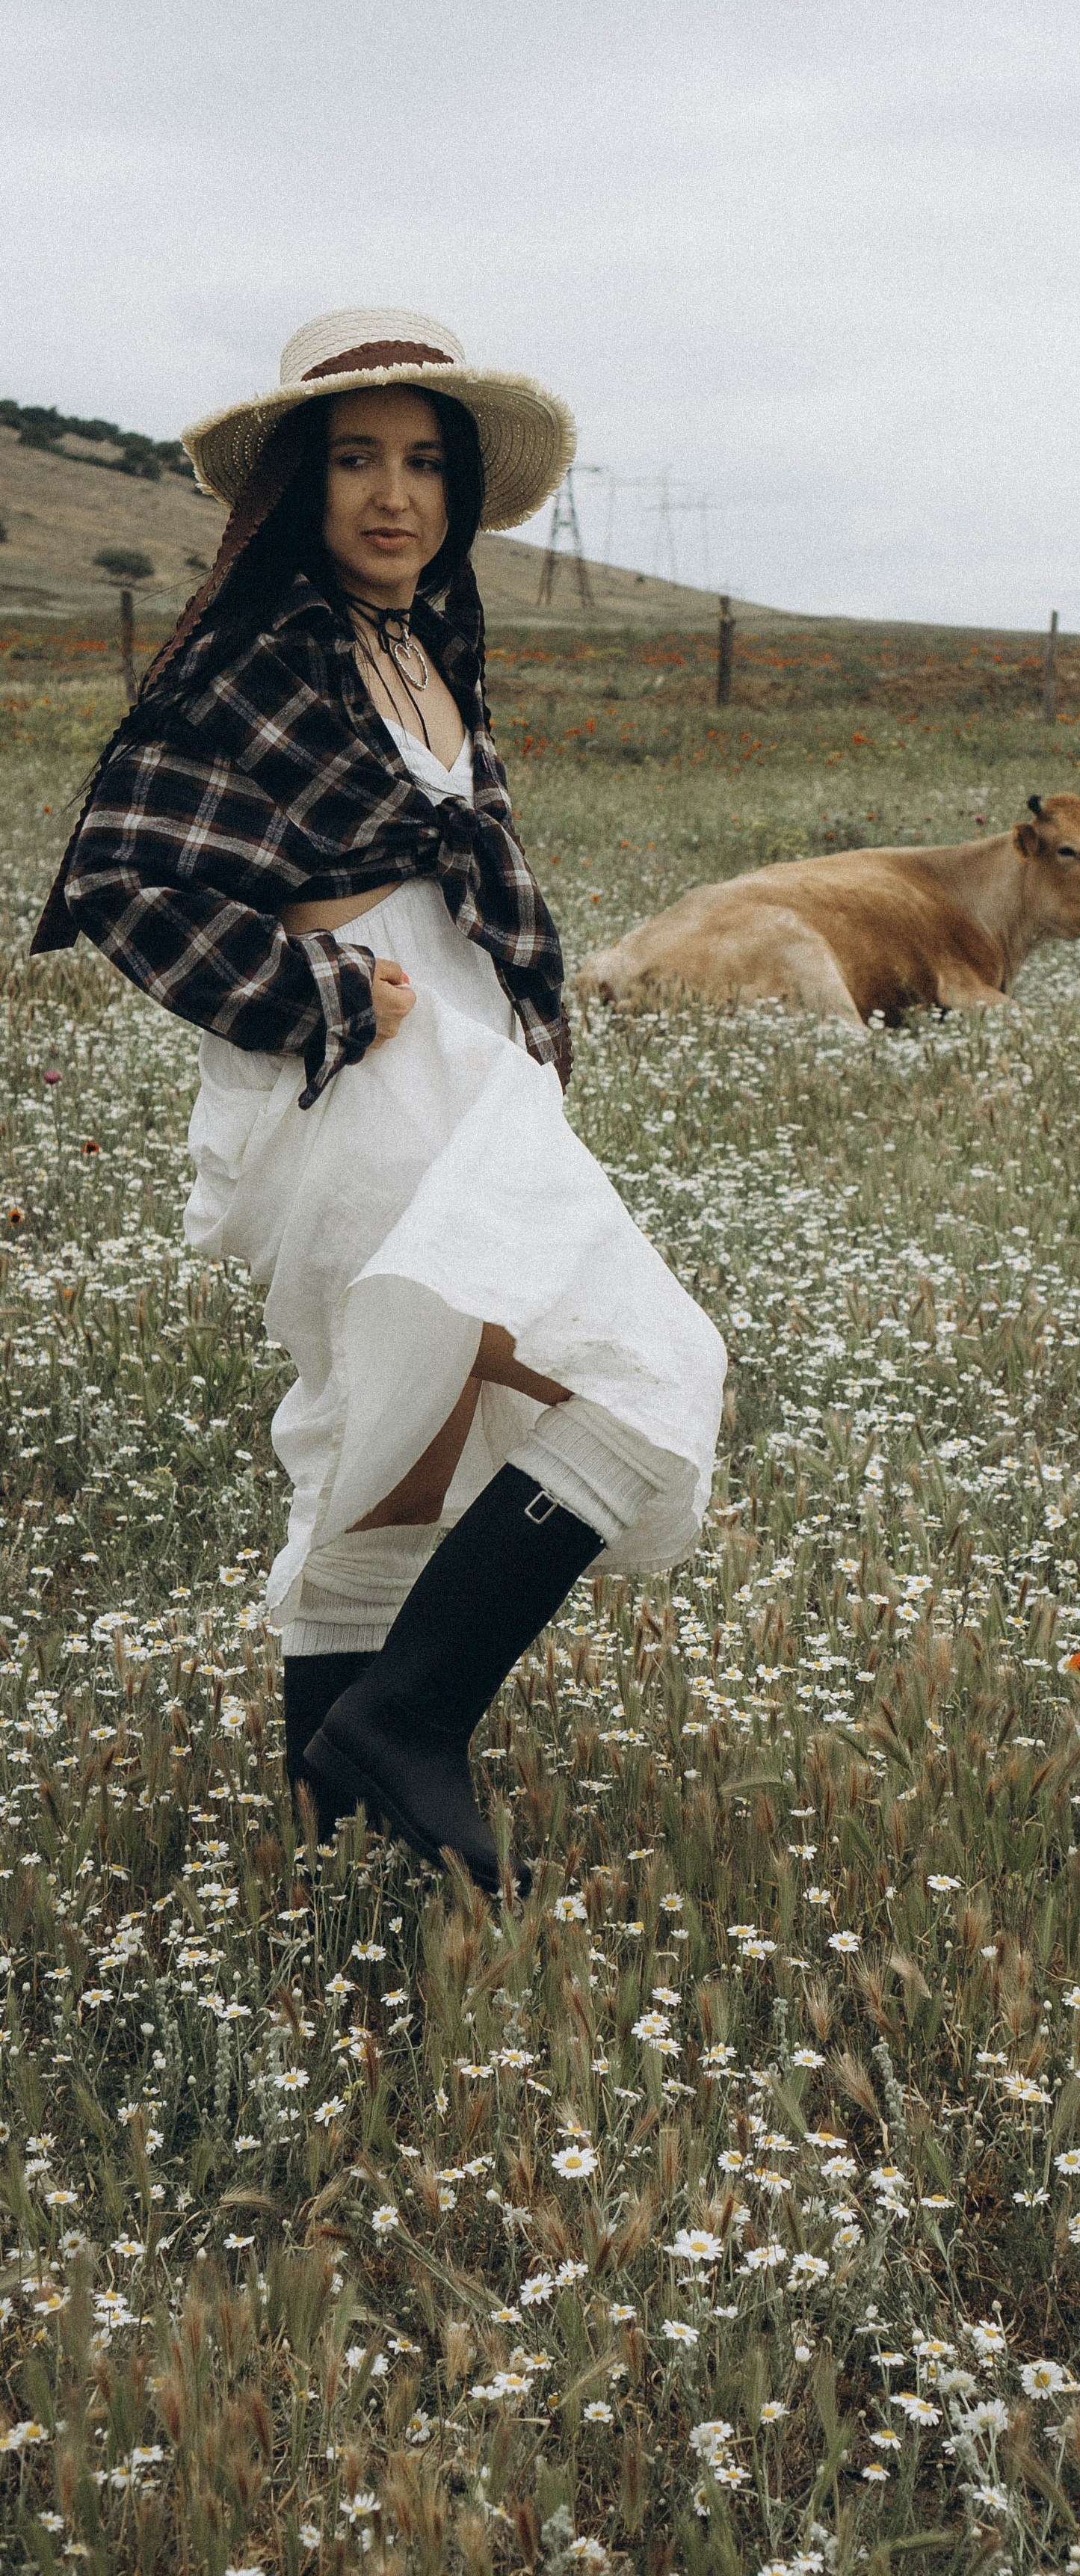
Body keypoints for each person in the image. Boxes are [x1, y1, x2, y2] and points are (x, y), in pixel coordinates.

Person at [34, 309, 726, 1894]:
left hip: (463, 1077)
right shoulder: (259, 645)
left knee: (393, 1437)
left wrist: (512, 1018)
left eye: (423, 462)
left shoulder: (424, 642)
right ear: (299, 481)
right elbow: (123, 878)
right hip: (353, 1087)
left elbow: (452, 867)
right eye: (355, 460)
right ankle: (406, 1720)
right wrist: (322, 996)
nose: (392, 495)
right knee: (646, 1362)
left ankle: (341, 1827)